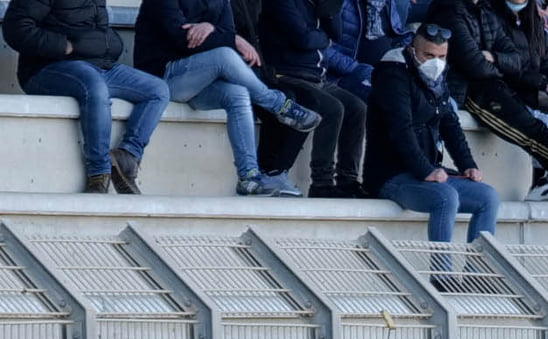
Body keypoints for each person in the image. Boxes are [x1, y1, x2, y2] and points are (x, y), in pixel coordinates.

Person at [133, 0, 323, 195]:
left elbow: (227, 29)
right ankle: (278, 104)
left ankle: (248, 177)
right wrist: (232, 39)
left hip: (199, 80)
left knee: (238, 93)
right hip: (162, 78)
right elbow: (183, 39)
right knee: (223, 55)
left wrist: (211, 28)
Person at [431, 0, 548, 199]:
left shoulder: (483, 9)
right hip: (472, 92)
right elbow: (475, 64)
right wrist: (501, 64)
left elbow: (515, 59)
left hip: (495, 85)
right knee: (534, 136)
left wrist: (496, 58)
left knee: (540, 133)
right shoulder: (450, 9)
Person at [4, 0, 172, 194]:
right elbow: (15, 28)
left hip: (98, 66)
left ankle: (128, 155)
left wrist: (109, 44)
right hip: (48, 67)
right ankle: (99, 173)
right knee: (95, 86)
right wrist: (62, 46)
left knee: (157, 90)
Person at [364, 24, 500, 245]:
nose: (435, 62)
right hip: (391, 176)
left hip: (425, 172)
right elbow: (401, 129)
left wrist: (468, 165)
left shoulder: (437, 79)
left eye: (441, 56)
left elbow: (450, 124)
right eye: (428, 55)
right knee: (446, 198)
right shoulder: (392, 75)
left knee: (488, 197)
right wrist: (425, 170)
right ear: (412, 50)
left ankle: (478, 275)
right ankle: (441, 277)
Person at [244, 0, 368, 195]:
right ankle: (321, 183)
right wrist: (325, 39)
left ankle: (347, 180)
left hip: (319, 78)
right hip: (287, 75)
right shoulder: (282, 3)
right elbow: (303, 39)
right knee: (332, 108)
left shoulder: (319, 4)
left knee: (357, 107)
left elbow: (336, 33)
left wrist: (329, 14)